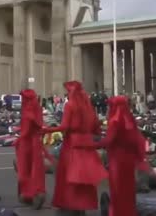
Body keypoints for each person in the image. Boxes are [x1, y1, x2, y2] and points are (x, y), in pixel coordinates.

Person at [43, 81, 107, 215]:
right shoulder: (88, 106)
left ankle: (71, 204)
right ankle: (81, 206)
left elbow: (64, 127)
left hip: (72, 144)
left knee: (69, 176)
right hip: (87, 145)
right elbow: (96, 128)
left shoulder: (70, 105)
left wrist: (47, 130)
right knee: (85, 178)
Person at [86, 96, 148, 216]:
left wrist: (91, 145)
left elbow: (109, 140)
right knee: (128, 191)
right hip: (128, 160)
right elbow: (137, 140)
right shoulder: (129, 119)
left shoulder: (115, 120)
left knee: (118, 191)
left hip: (117, 160)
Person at [14, 89, 47, 209]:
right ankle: (38, 192)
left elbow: (26, 131)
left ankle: (28, 193)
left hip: (27, 143)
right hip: (36, 142)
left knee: (25, 169)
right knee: (36, 169)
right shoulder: (37, 109)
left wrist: (17, 140)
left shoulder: (27, 111)